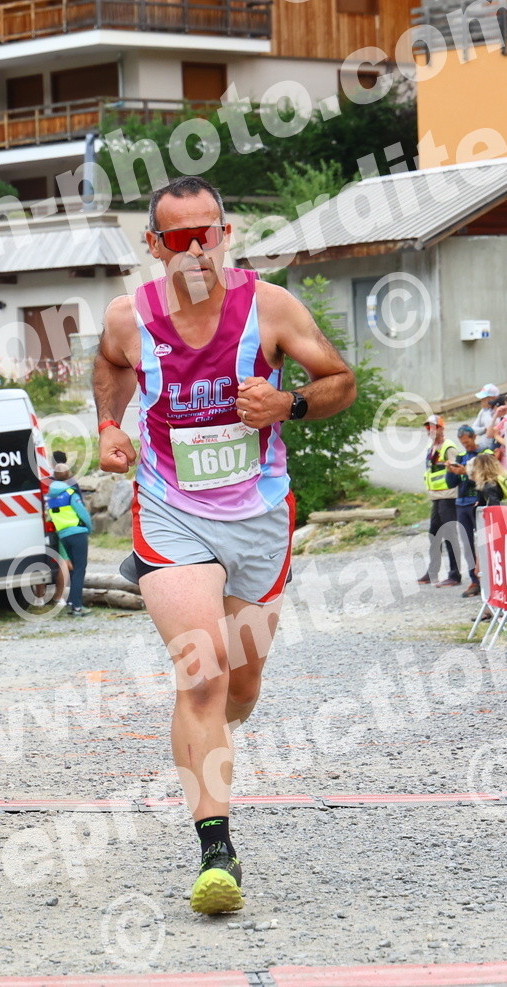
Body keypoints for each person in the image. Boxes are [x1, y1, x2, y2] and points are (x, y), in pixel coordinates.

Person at [94, 174, 356, 916]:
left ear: (226, 234)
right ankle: (217, 852)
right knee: (203, 674)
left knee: (240, 687)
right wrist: (110, 425)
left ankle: (208, 729)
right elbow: (110, 366)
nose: (196, 250)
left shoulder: (271, 309)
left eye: (207, 233)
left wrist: (289, 402)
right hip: (171, 513)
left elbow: (340, 381)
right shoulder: (129, 318)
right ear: (155, 246)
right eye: (179, 238)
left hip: (259, 516)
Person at [418, 414, 462, 588]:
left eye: (434, 427)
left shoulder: (448, 447)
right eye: (428, 427)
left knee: (450, 534)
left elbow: (457, 471)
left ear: (442, 428)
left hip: (448, 496)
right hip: (436, 496)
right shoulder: (431, 448)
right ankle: (432, 571)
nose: (431, 430)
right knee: (434, 533)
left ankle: (455, 574)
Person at [46, 458, 93, 617]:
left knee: (73, 569)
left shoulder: (50, 497)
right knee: (80, 569)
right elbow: (82, 513)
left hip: (63, 534)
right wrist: (89, 528)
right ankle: (77, 606)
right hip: (77, 532)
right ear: (68, 476)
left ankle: (72, 602)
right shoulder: (70, 493)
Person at [447, 424, 481, 598]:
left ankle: (488, 578)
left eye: (467, 442)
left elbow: (485, 475)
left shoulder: (483, 454)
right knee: (467, 544)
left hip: (478, 503)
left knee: (484, 542)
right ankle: (474, 580)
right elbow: (450, 484)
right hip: (461, 504)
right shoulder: (461, 457)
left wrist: (466, 471)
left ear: (474, 437)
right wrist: (450, 471)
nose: (465, 446)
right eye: (462, 443)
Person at [471, 384, 500, 451]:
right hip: (483, 445)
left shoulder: (501, 410)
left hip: (496, 446)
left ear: (493, 398)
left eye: (484, 399)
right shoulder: (483, 412)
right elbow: (474, 429)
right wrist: (484, 429)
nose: (481, 401)